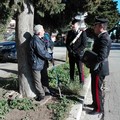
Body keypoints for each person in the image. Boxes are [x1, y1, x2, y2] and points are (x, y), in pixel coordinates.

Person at [86, 17, 112, 114]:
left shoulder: (104, 38)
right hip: (97, 67)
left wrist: (91, 62)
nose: (94, 27)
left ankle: (98, 109)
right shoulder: (101, 36)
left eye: (95, 25)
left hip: (99, 68)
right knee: (94, 87)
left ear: (100, 26)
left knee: (97, 89)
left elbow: (102, 56)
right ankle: (95, 104)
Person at [29, 24, 54, 101]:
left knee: (45, 78)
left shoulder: (40, 39)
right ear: (39, 32)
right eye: (43, 30)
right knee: (37, 81)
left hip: (42, 63)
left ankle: (46, 91)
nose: (44, 31)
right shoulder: (35, 40)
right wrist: (50, 58)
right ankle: (41, 95)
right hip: (36, 63)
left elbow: (46, 48)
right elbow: (42, 52)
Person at [65, 14, 87, 84]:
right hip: (71, 55)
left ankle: (81, 84)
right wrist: (70, 51)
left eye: (73, 25)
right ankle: (71, 82)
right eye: (72, 25)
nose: (72, 26)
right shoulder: (69, 33)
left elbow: (84, 45)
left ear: (77, 25)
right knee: (71, 70)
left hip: (79, 55)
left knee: (80, 70)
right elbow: (67, 43)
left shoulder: (82, 33)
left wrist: (76, 51)